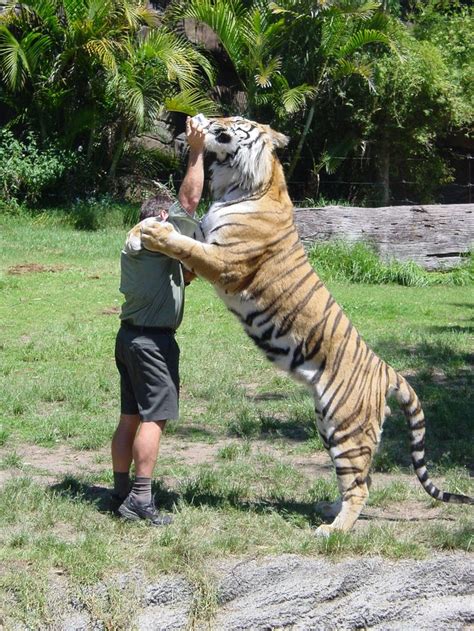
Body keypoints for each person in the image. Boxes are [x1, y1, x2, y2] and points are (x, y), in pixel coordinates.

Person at [111, 116, 206, 525]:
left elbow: (184, 273)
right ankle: (140, 500)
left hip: (129, 338)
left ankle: (119, 491)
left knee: (130, 417)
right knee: (155, 417)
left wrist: (188, 267)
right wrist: (197, 149)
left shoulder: (140, 247)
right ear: (159, 221)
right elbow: (187, 205)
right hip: (152, 345)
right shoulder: (154, 231)